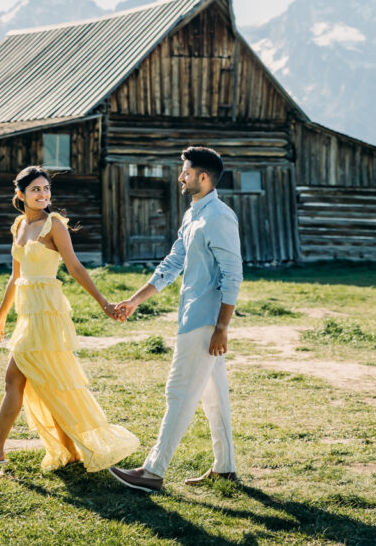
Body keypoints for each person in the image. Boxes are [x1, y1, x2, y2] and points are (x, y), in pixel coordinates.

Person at [0, 166, 139, 472]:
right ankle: (71, 450)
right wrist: (0, 316)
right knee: (48, 383)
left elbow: (74, 267)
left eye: (46, 189)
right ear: (19, 194)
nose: (43, 195)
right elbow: (15, 276)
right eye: (35, 189)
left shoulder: (54, 225)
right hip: (26, 312)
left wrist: (104, 302)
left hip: (47, 314)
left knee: (14, 379)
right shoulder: (19, 225)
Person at [109, 146, 243, 492]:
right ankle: (225, 467)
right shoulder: (193, 215)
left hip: (205, 322)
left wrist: (222, 328)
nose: (180, 177)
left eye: (185, 171)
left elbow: (233, 275)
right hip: (191, 317)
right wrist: (136, 300)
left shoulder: (219, 217)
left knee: (179, 392)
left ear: (203, 176)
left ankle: (153, 471)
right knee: (214, 398)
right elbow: (172, 263)